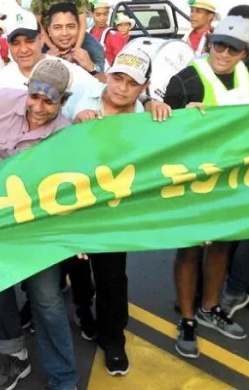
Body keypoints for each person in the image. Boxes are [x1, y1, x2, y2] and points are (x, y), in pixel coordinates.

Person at [164, 15, 249, 359]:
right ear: (210, 43)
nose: (223, 53)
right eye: (219, 45)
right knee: (190, 250)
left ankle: (210, 307)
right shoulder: (186, 79)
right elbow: (161, 131)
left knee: (221, 247)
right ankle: (188, 320)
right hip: (195, 183)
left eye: (233, 49)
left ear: (246, 51)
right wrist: (180, 116)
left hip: (235, 181)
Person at [0, 58, 79, 390]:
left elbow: (74, 187)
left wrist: (77, 233)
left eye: (49, 101)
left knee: (47, 300)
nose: (38, 107)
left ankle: (64, 377)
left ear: (63, 101)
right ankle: (16, 358)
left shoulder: (66, 133)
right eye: (34, 96)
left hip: (36, 227)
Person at [63, 47, 172, 377]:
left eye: (132, 83)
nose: (122, 88)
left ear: (145, 86)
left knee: (111, 277)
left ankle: (113, 340)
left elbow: (183, 139)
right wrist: (72, 123)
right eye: (118, 78)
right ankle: (84, 312)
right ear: (108, 75)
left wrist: (169, 106)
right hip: (73, 205)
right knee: (76, 269)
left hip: (115, 211)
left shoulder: (149, 115)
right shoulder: (81, 96)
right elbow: (47, 128)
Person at [89, 2, 126, 66]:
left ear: (108, 13)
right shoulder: (88, 32)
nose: (102, 18)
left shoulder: (114, 35)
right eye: (98, 15)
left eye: (105, 14)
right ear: (91, 14)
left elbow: (122, 62)